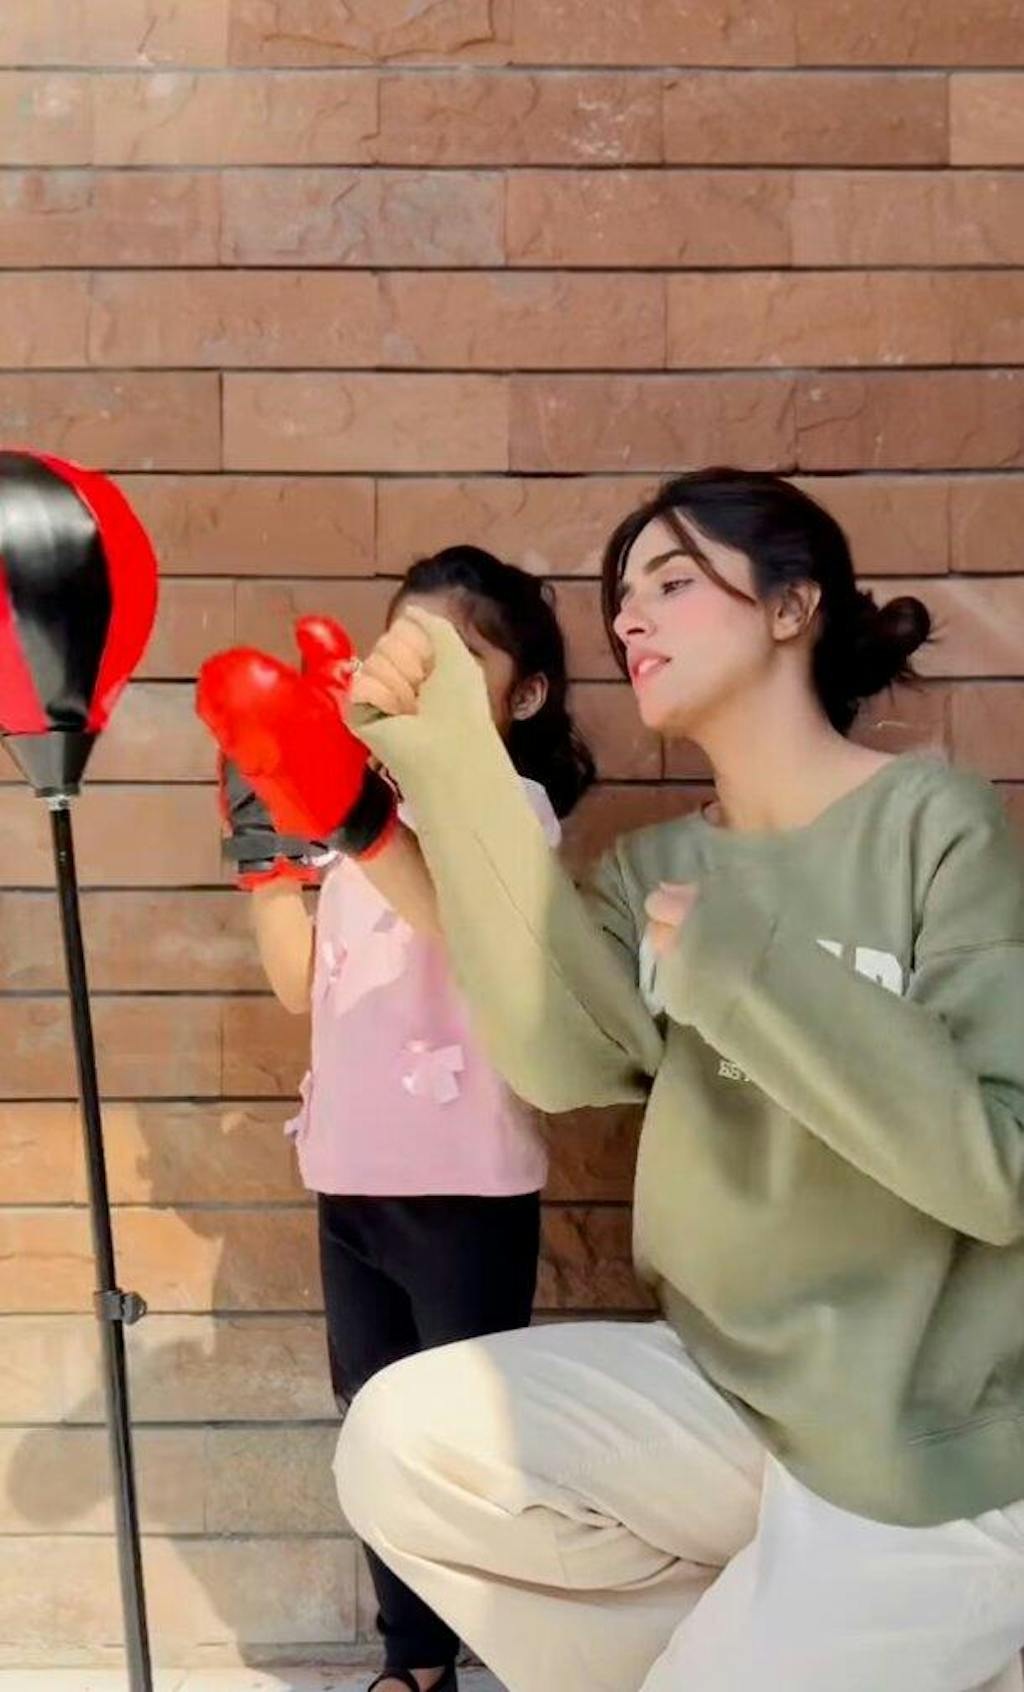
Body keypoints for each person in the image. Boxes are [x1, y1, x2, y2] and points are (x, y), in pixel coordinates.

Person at [325, 470, 1024, 1692]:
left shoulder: (933, 822)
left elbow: (997, 1172)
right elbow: (556, 1056)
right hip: (730, 1403)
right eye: (620, 597)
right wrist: (446, 762)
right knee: (403, 1441)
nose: (628, 617)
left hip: (939, 1446)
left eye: (671, 580)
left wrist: (749, 973)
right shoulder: (649, 870)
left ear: (790, 606)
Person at [202, 547, 594, 1692]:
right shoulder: (339, 814)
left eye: (452, 655)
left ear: (524, 694)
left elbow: (469, 926)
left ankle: (526, 1644)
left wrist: (349, 811)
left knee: (470, 1439)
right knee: (373, 1428)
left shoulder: (510, 809)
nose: (412, 674)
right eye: (399, 648)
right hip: (349, 1173)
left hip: (465, 1184)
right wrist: (266, 851)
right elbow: (295, 984)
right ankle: (413, 1660)